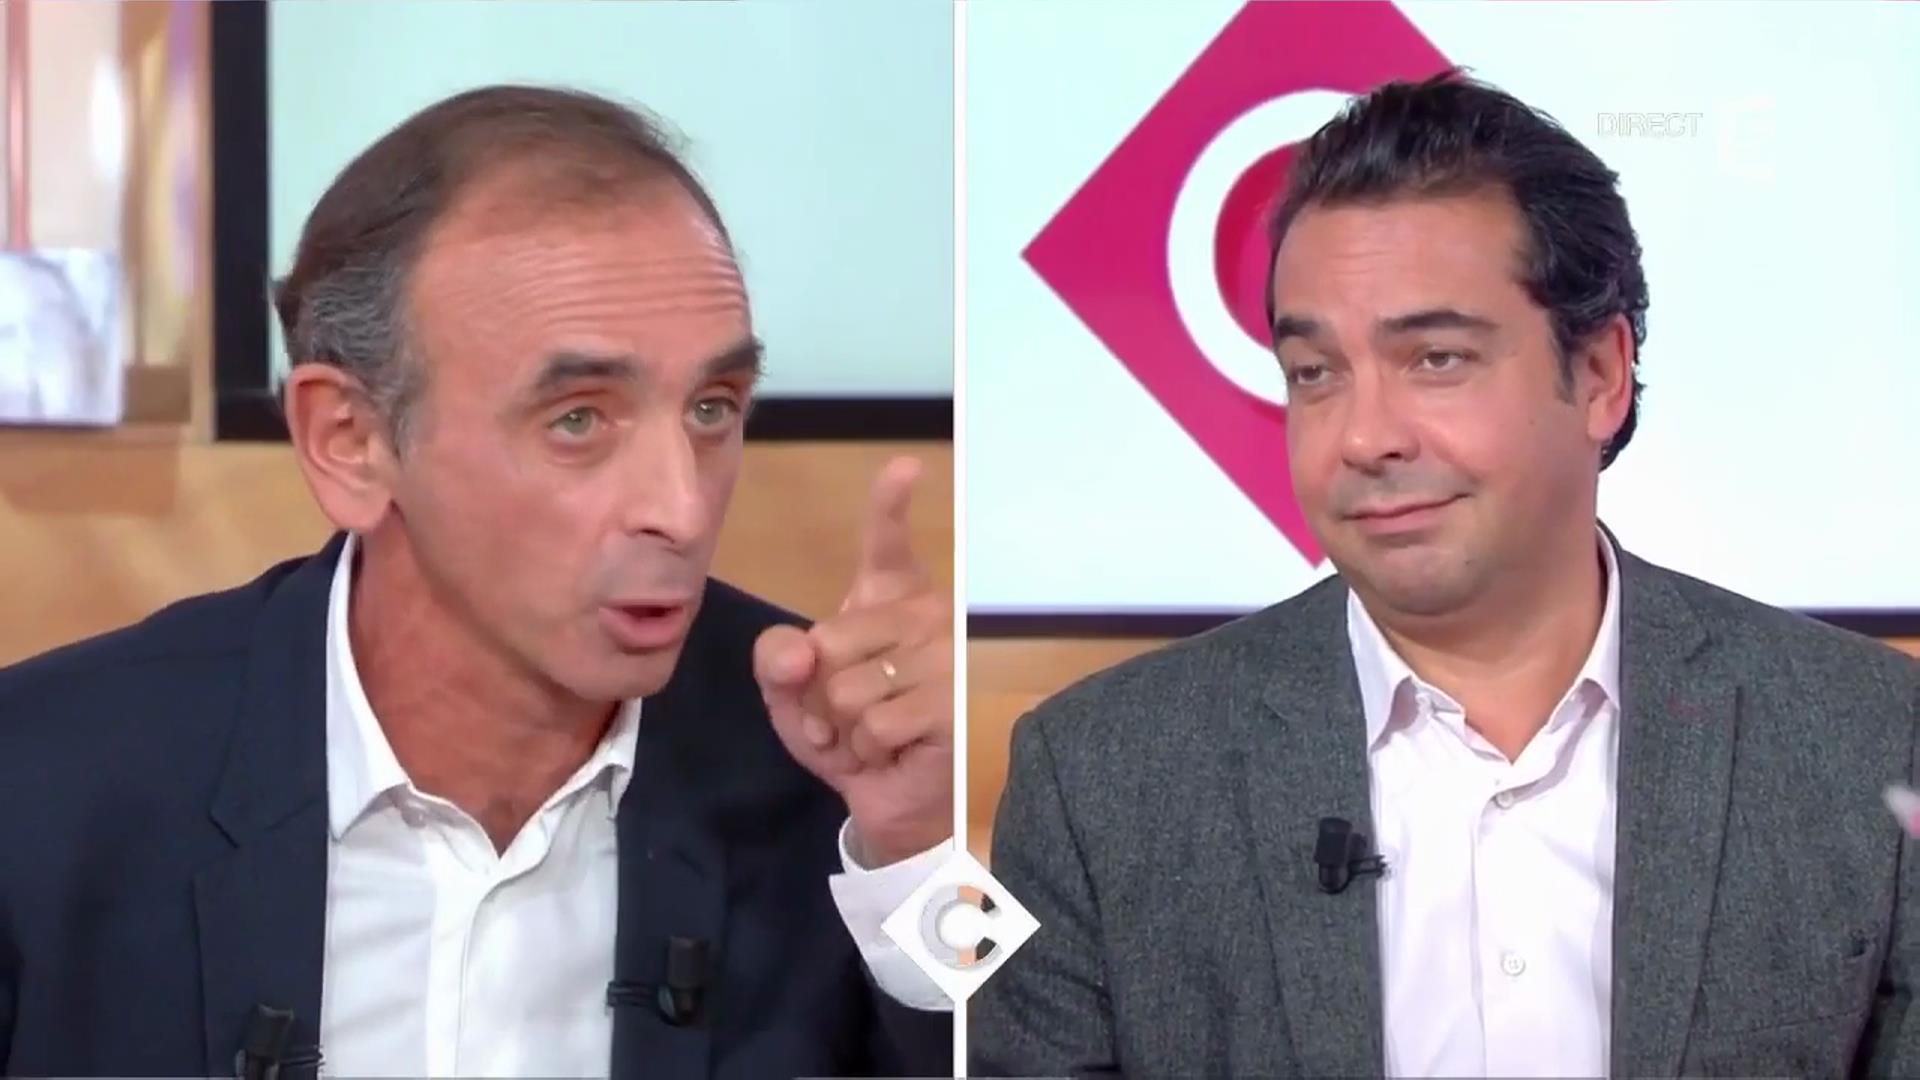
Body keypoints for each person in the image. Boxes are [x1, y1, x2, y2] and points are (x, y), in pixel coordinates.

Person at [971, 71, 1920, 1078]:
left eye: (1436, 359)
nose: (1364, 437)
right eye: (1315, 373)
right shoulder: (1099, 777)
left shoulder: (1869, 737)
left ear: (1599, 374)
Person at [0, 85, 954, 1079]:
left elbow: (1022, 1045)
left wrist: (918, 854)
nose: (680, 508)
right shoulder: (42, 791)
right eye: (578, 419)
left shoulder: (828, 766)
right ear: (351, 441)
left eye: (712, 407)